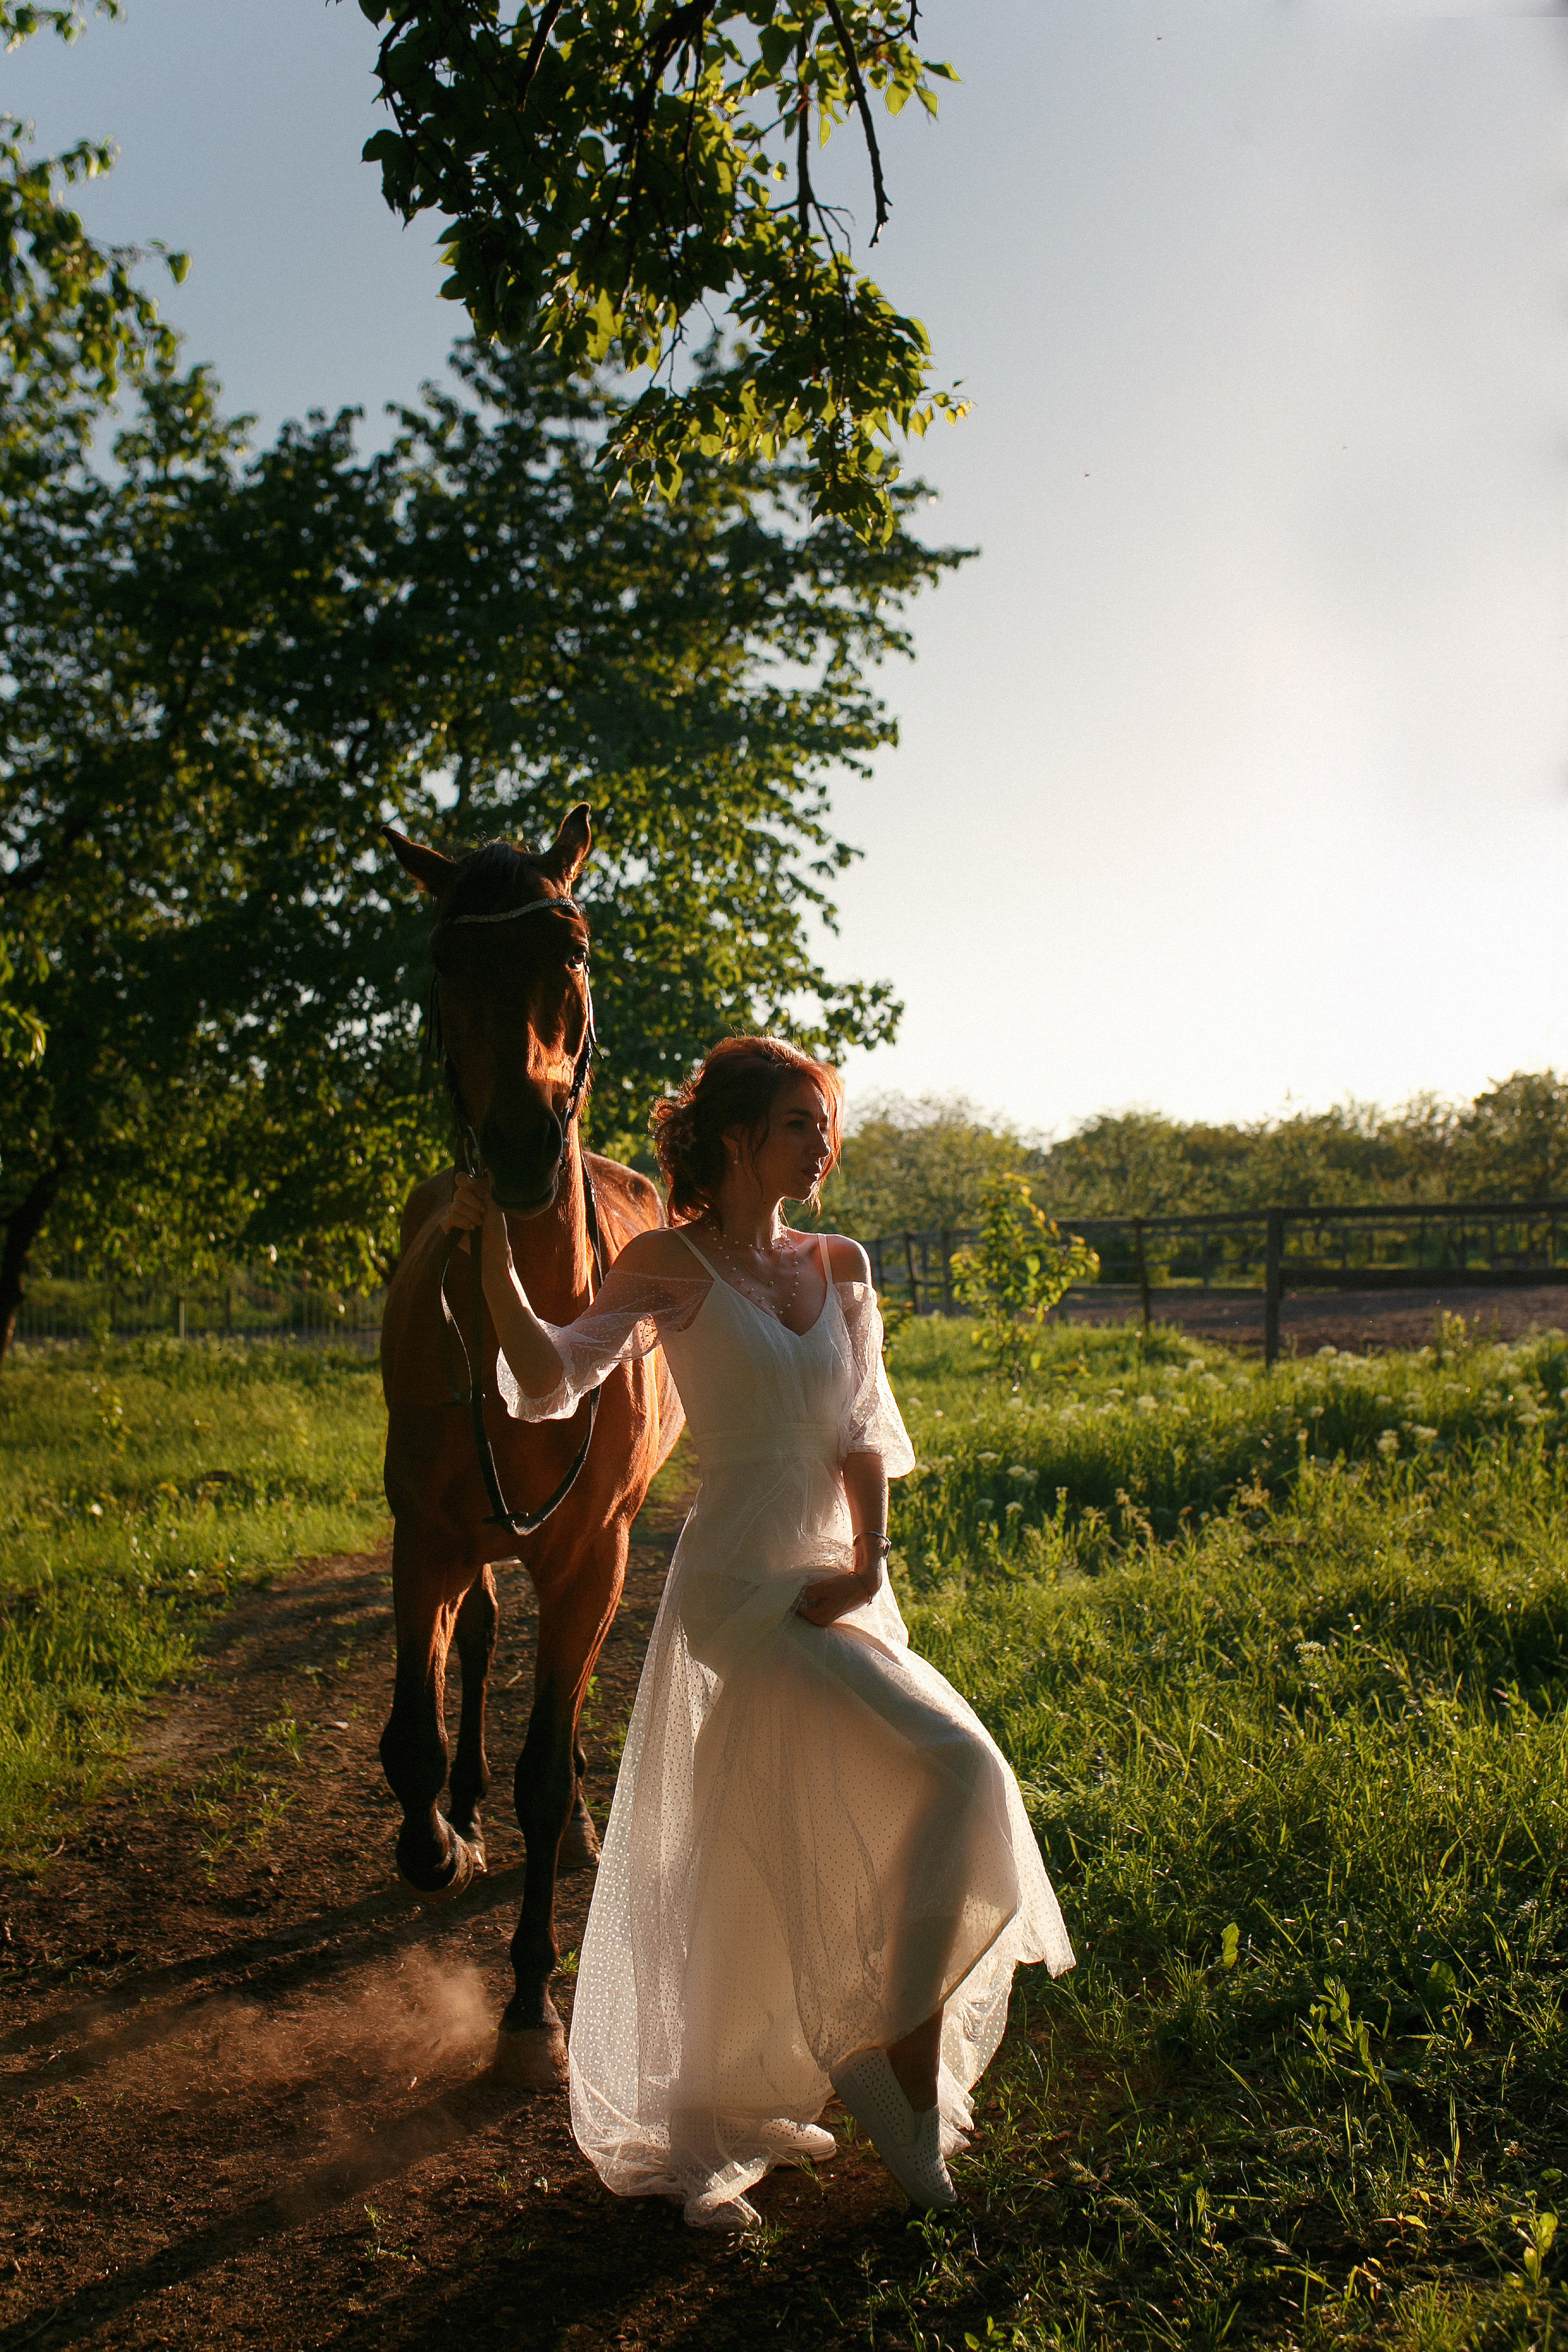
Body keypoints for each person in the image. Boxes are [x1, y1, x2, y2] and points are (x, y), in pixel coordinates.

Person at [444, 1036, 1074, 2230]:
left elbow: (862, 1428)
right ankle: (890, 2054)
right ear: (736, 1138)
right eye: (799, 1122)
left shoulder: (838, 1262)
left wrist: (864, 1565)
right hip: (742, 1588)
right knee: (960, 1770)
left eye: (823, 1122)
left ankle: (746, 2095)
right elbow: (549, 1374)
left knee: (784, 1833)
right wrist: (487, 1258)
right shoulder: (667, 1265)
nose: (821, 1143)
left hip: (836, 1584)